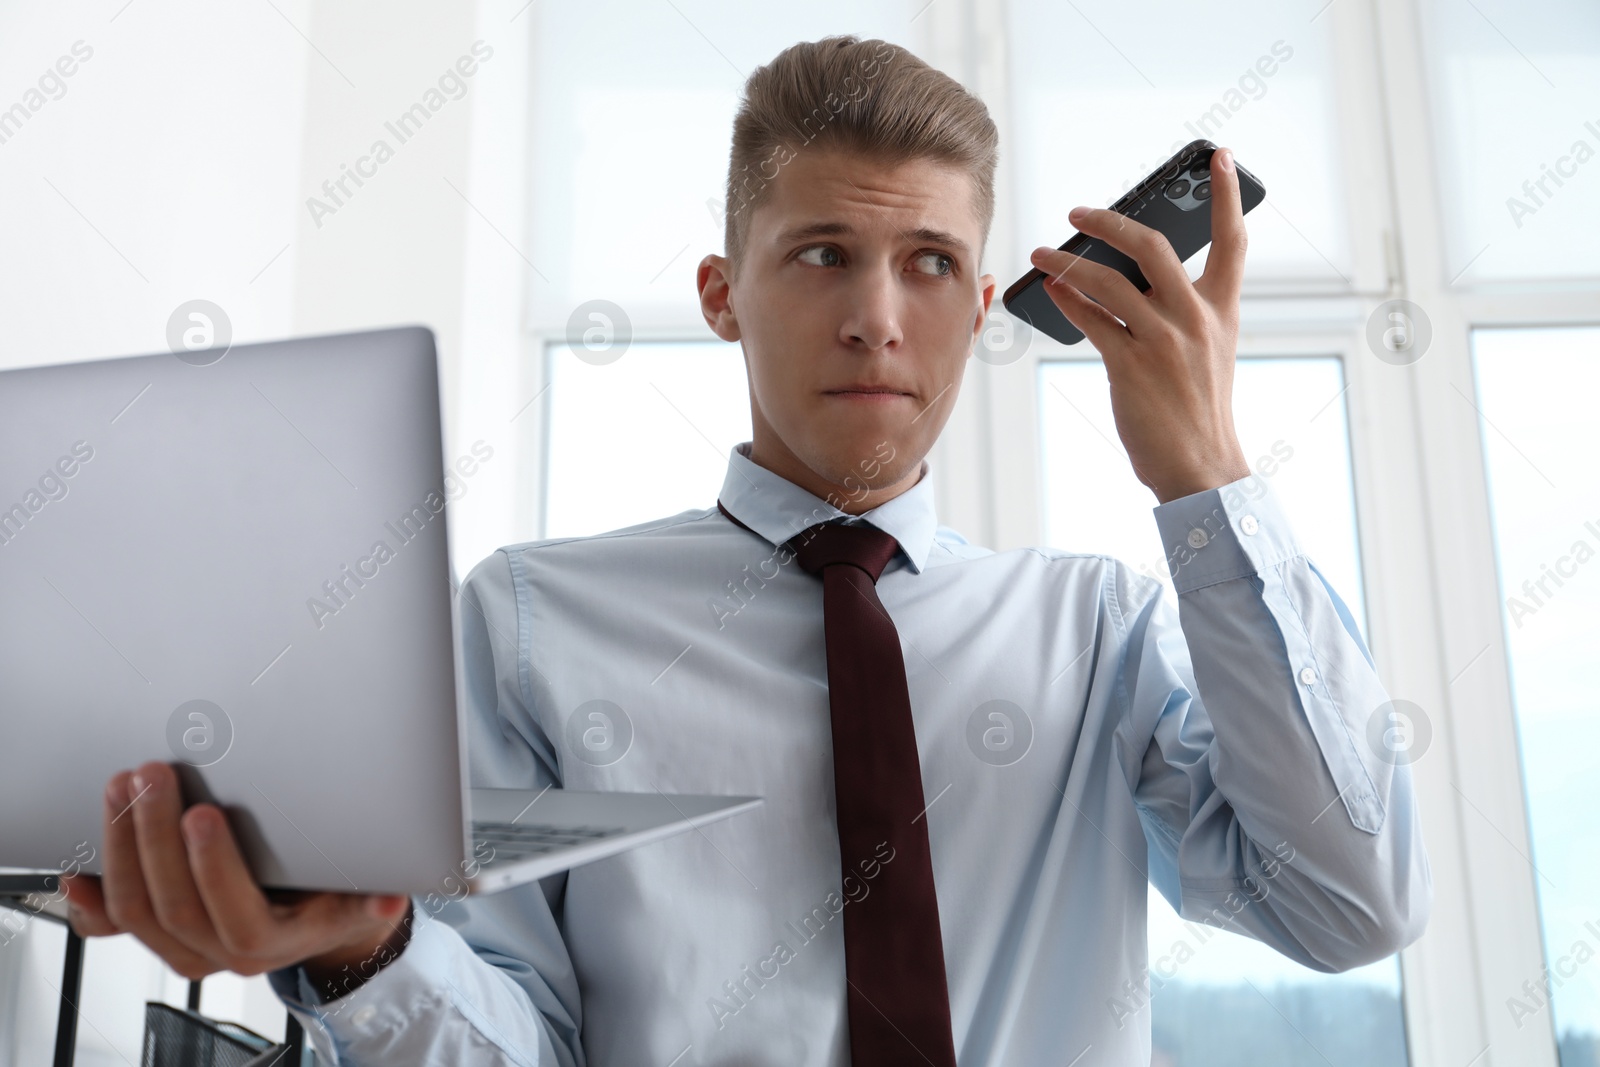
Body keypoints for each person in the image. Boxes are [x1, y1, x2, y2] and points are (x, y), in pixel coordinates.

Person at [64, 34, 1431, 1066]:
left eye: (932, 265)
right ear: (723, 293)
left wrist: (1206, 482)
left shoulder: (1098, 632)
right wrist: (370, 950)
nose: (878, 319)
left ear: (985, 305)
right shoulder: (529, 622)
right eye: (824, 254)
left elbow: (1348, 904)